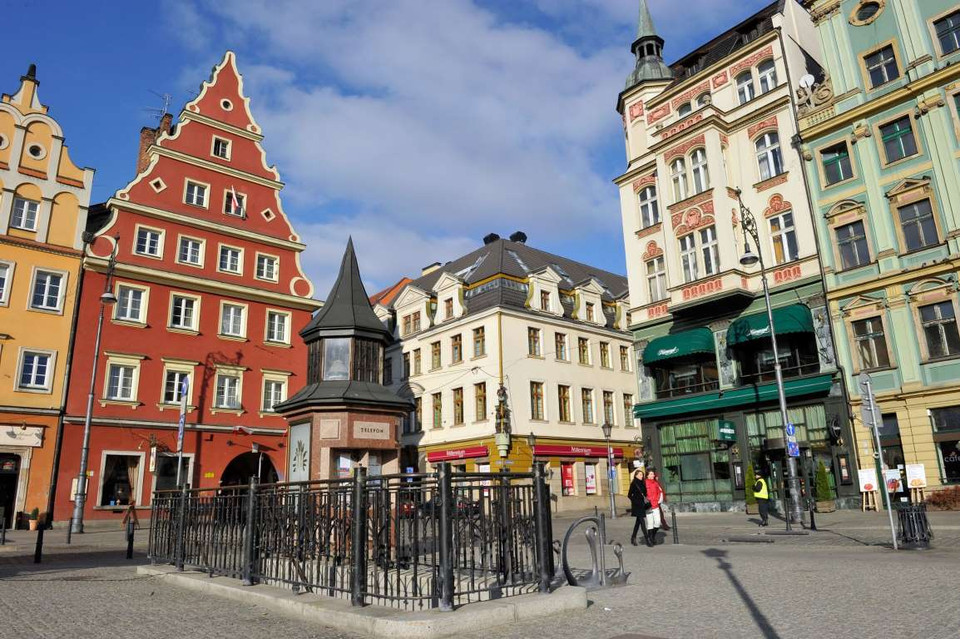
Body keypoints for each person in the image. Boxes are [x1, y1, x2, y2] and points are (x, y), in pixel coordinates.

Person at [627, 469, 651, 547]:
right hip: (637, 505)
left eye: (642, 475)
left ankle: (633, 537)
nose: (642, 476)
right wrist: (635, 501)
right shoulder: (634, 483)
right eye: (640, 475)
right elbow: (629, 495)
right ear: (636, 475)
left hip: (642, 505)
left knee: (638, 523)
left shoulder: (642, 483)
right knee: (642, 522)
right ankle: (647, 540)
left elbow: (645, 493)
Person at [644, 469, 664, 545]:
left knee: (658, 522)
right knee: (650, 523)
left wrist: (658, 500)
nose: (652, 475)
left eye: (653, 474)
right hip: (648, 506)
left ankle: (652, 535)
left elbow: (660, 492)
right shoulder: (645, 483)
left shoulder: (656, 483)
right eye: (651, 474)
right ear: (647, 475)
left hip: (655, 505)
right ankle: (650, 539)